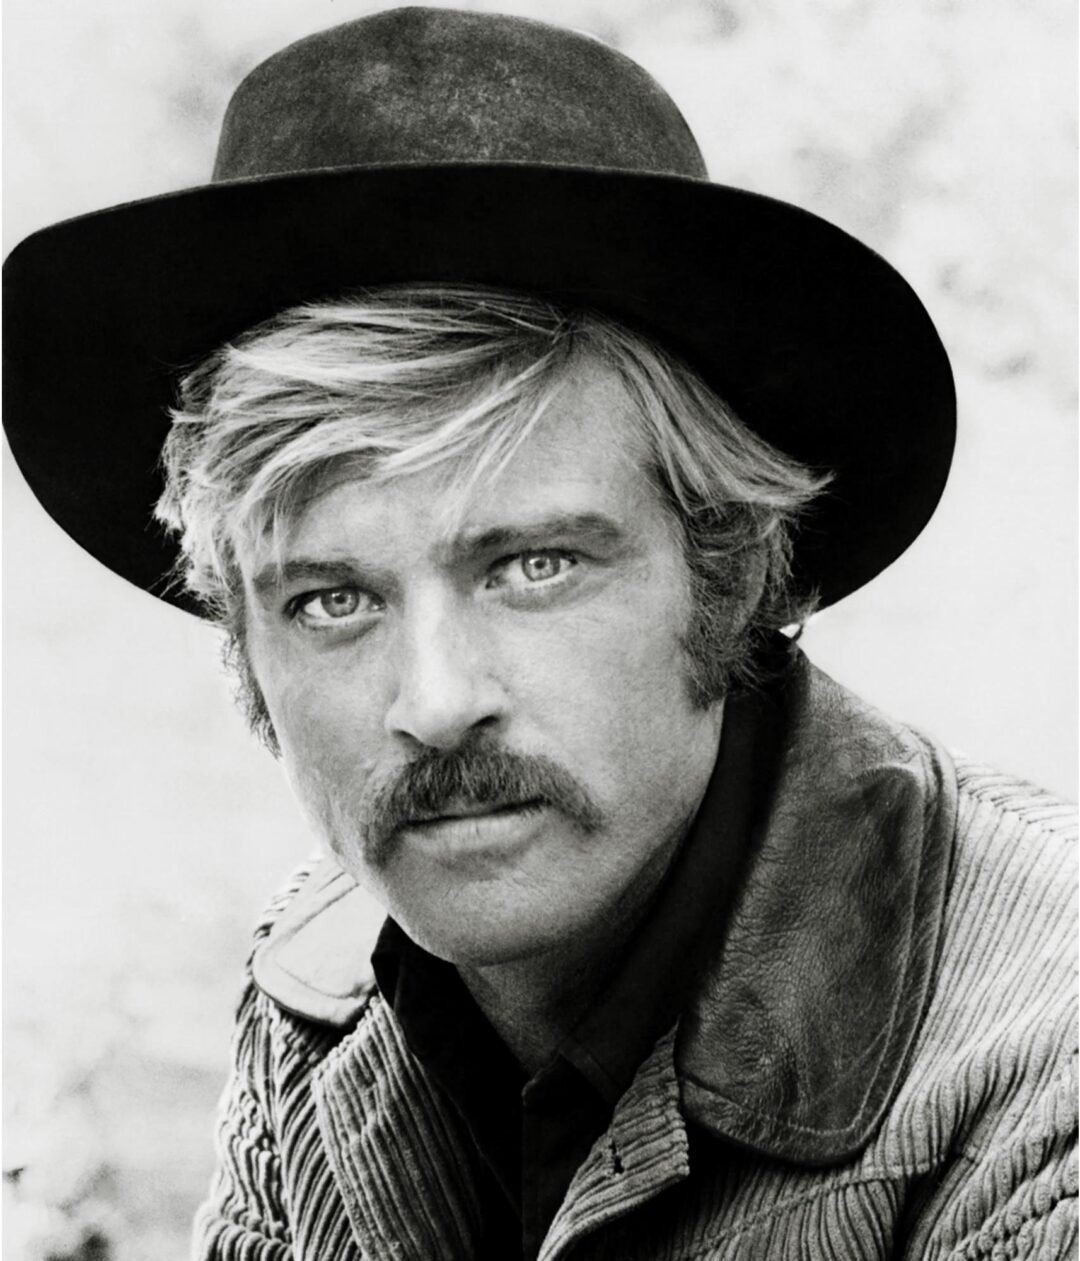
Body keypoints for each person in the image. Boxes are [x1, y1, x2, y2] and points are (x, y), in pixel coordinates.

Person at [4, 7, 1075, 1260]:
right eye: (331, 599)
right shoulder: (321, 978)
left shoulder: (1038, 1077)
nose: (436, 698)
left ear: (728, 579)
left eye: (534, 565)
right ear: (246, 652)